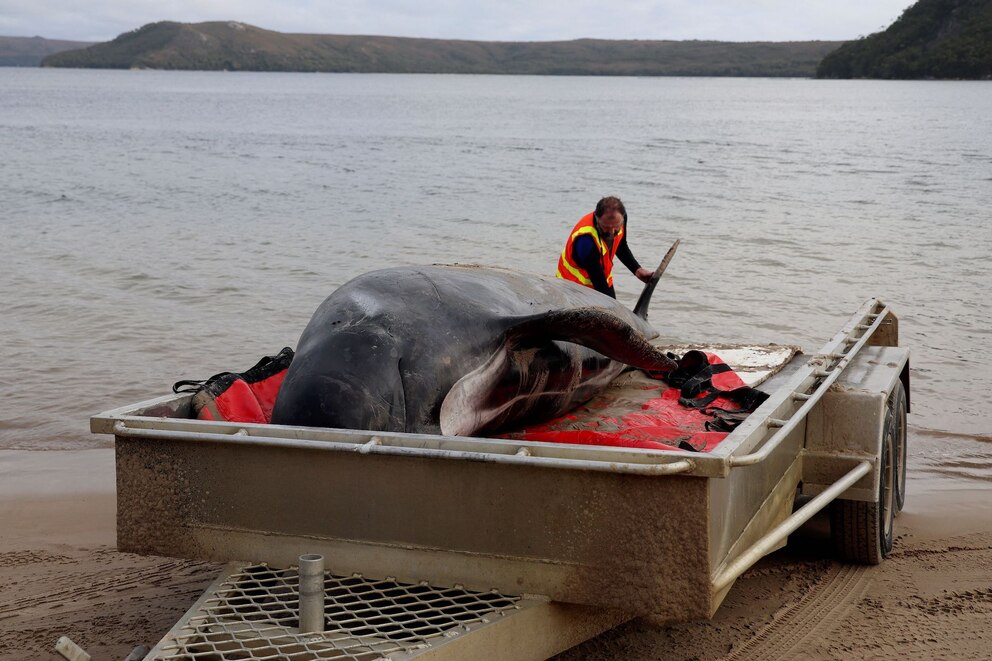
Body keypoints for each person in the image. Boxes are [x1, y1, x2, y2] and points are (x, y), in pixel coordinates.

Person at [555, 196, 654, 298]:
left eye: (616, 227)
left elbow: (620, 245)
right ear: (597, 219)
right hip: (573, 289)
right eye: (606, 227)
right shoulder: (586, 240)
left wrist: (637, 270)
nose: (612, 232)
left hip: (602, 279)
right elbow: (600, 285)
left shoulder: (621, 218)